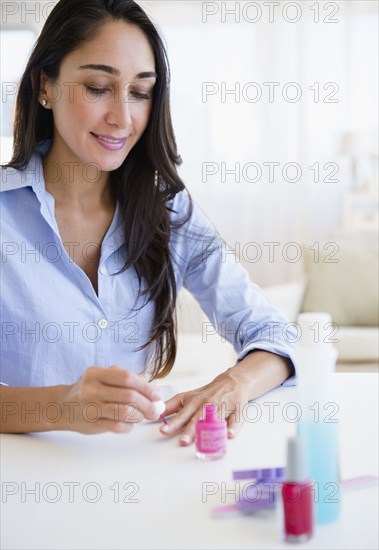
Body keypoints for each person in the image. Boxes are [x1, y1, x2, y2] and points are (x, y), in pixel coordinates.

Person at [0, 0, 296, 441]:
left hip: (140, 480)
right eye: (99, 87)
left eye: (140, 92)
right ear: (47, 85)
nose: (123, 117)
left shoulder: (169, 212)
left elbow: (274, 335)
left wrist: (232, 385)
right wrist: (61, 406)